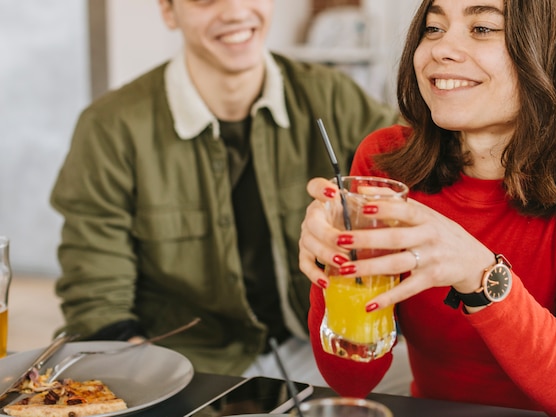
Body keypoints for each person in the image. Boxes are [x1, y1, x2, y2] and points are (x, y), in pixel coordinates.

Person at [49, 0, 403, 389]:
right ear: (168, 11)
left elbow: (419, 179)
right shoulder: (110, 128)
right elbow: (96, 298)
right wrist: (151, 387)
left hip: (315, 343)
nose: (235, 11)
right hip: (183, 363)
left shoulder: (333, 96)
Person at [298, 0, 556, 416]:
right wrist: (334, 259)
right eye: (433, 28)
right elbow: (351, 378)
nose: (440, 50)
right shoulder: (386, 162)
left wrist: (480, 273)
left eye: (483, 28)